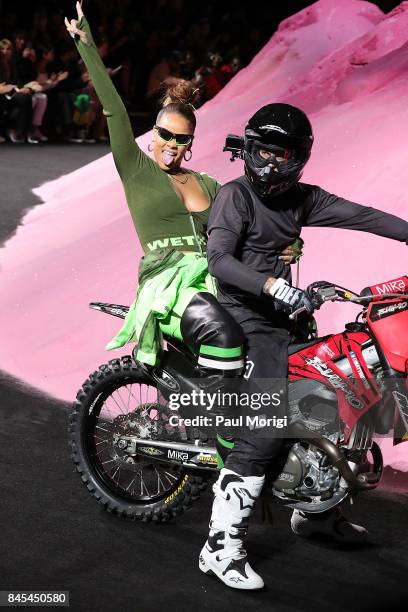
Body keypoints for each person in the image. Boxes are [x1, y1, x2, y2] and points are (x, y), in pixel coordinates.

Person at [201, 102, 408, 589]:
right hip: (244, 321)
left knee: (337, 401)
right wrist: (272, 286)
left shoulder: (302, 198)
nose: (270, 163)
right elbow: (219, 263)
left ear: (297, 158)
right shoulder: (235, 196)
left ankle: (314, 515)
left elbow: (363, 216)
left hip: (288, 321)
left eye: (281, 154)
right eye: (263, 152)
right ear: (249, 150)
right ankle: (219, 544)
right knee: (268, 426)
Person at [63, 4, 298, 393]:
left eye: (181, 138)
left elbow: (253, 221)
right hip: (168, 283)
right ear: (153, 134)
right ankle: (224, 430)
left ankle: (270, 423)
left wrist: (290, 244)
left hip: (213, 279)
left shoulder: (207, 184)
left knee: (276, 326)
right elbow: (114, 110)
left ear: (191, 143)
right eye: (165, 135)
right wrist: (87, 44)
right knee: (223, 334)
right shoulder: (137, 169)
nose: (171, 145)